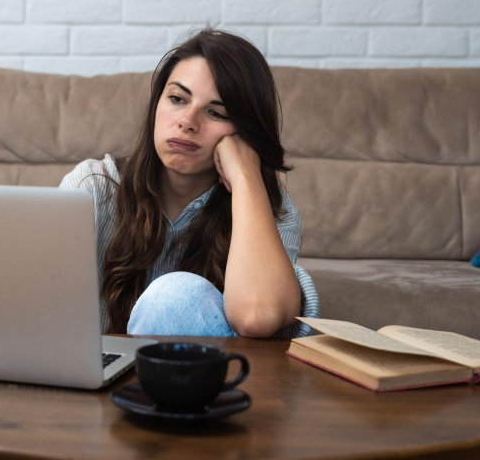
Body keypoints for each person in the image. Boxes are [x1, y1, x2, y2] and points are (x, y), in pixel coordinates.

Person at [60, 28, 319, 338]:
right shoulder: (94, 186)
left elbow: (257, 315)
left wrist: (247, 179)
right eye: (177, 99)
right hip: (103, 376)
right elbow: (39, 300)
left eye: (215, 112)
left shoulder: (273, 210)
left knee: (174, 298)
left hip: (221, 377)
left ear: (245, 132)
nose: (187, 121)